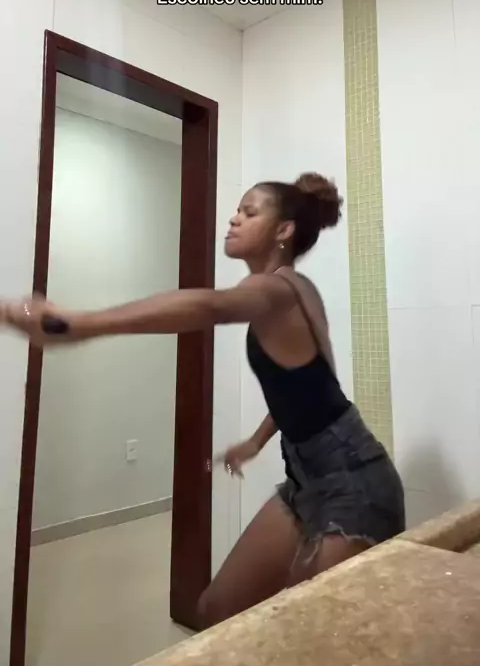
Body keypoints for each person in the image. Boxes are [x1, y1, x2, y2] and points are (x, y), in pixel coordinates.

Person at [1, 172, 405, 629]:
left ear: (284, 230)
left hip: (354, 483)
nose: (234, 219)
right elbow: (312, 388)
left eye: (249, 211)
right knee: (217, 608)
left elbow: (210, 306)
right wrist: (256, 441)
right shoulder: (290, 292)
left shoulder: (278, 289)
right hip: (307, 480)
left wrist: (79, 325)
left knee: (311, 631)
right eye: (237, 210)